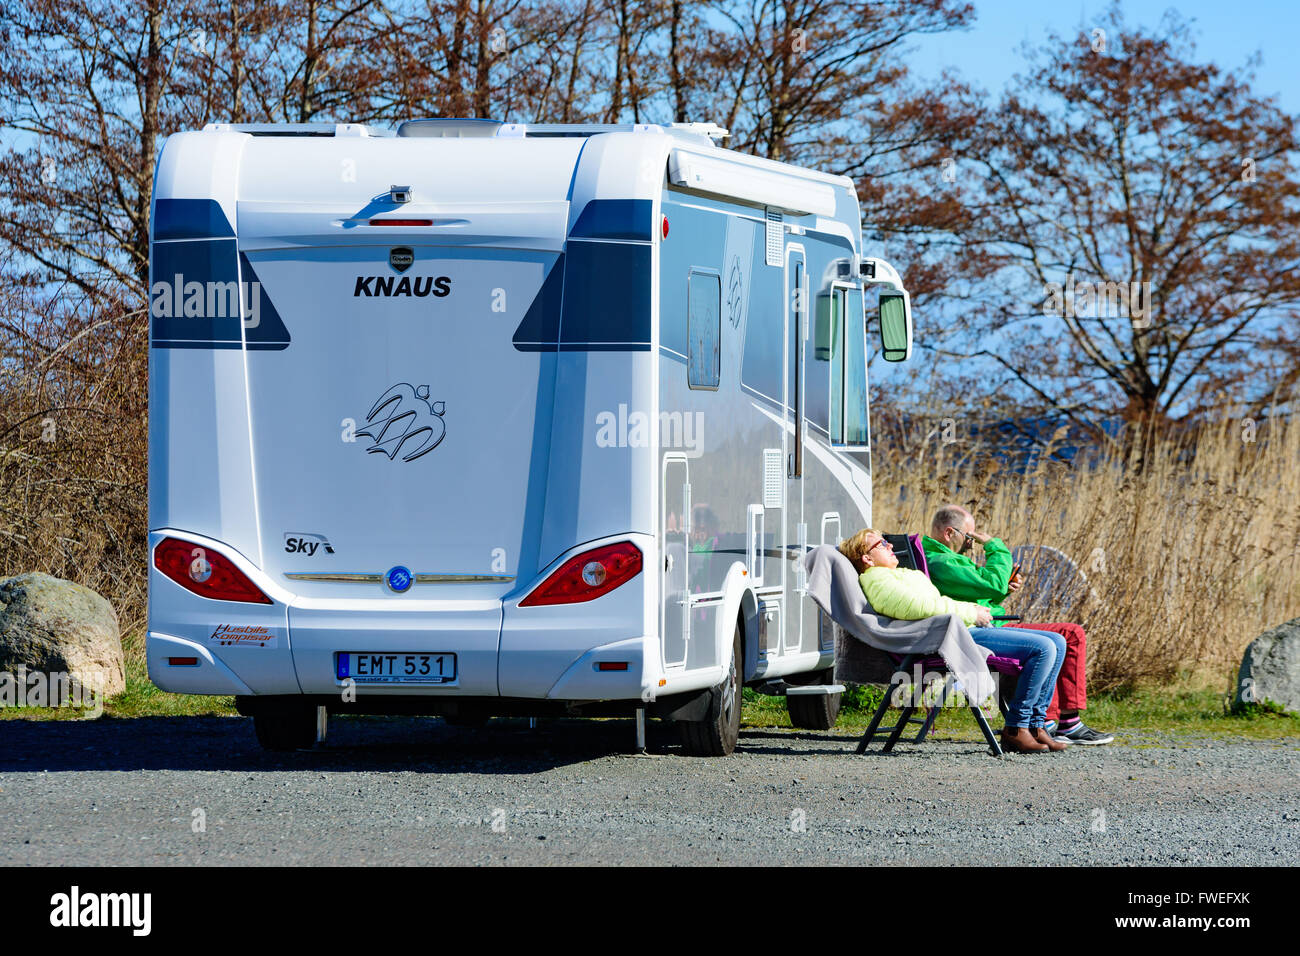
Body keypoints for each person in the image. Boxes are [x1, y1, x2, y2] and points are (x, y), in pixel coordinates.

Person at [838, 528, 1069, 753]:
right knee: (1044, 648)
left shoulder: (899, 575)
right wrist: (971, 612)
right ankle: (1017, 727)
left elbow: (936, 603)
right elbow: (921, 608)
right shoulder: (877, 580)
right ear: (867, 558)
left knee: (1058, 642)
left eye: (887, 541)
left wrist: (974, 609)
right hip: (951, 637)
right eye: (881, 544)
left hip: (957, 630)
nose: (890, 545)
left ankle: (1036, 725)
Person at [922, 504, 1114, 745]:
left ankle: (1066, 722)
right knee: (1049, 644)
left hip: (987, 624)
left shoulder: (950, 559)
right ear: (950, 533)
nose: (972, 543)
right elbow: (990, 584)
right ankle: (1043, 723)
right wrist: (995, 547)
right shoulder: (942, 562)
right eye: (969, 537)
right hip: (976, 630)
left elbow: (979, 596)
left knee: (1070, 634)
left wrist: (1004, 590)